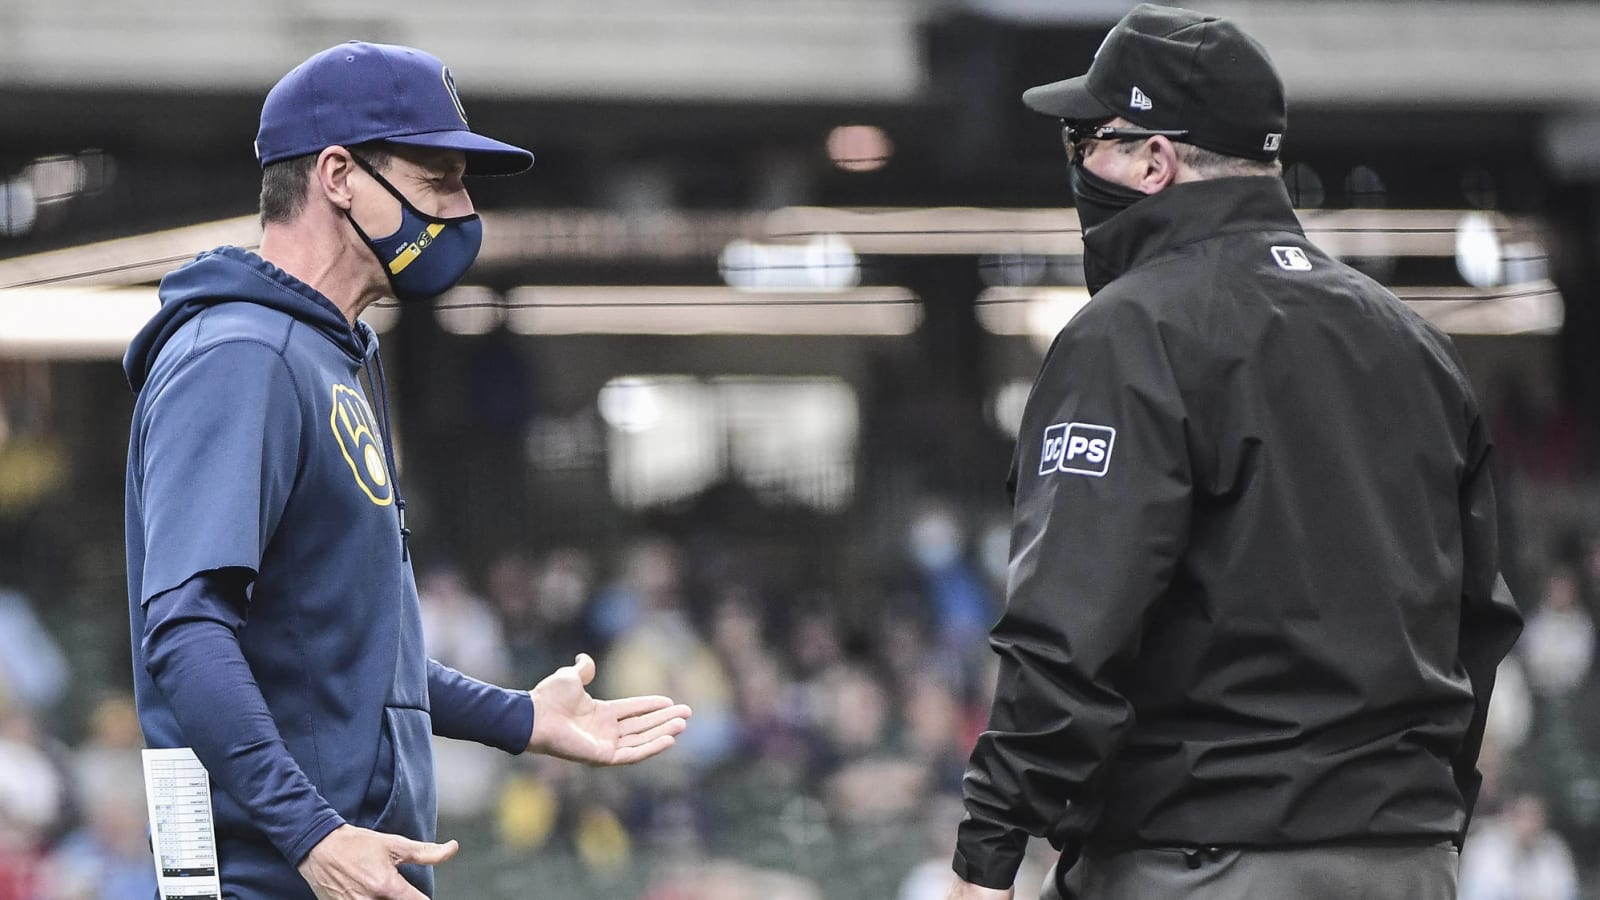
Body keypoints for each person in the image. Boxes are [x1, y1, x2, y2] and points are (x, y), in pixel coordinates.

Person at [945, 6, 1524, 899]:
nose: (1077, 165)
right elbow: (1479, 624)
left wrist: (987, 856)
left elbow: (1069, 631)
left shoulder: (1130, 334)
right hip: (1405, 861)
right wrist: (1421, 830)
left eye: (1086, 140)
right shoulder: (1412, 342)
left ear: (1152, 159)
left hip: (1201, 859)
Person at [123, 42, 692, 900]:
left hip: (345, 870)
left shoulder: (325, 352)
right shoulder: (240, 355)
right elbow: (186, 631)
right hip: (270, 878)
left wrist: (520, 717)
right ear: (339, 175)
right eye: (438, 179)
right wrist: (309, 834)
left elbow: (339, 651)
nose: (461, 209)